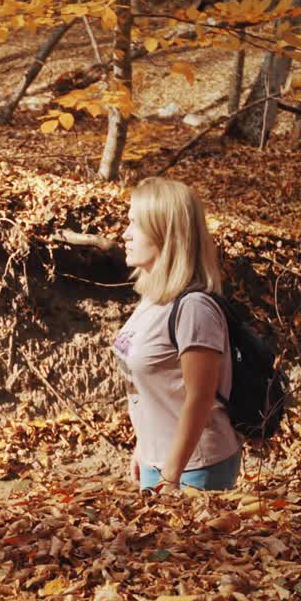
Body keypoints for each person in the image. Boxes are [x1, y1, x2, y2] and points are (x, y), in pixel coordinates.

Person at [111, 177, 242, 493]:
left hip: (195, 467)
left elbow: (200, 399)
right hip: (160, 460)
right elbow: (152, 390)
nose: (124, 234)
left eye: (135, 224)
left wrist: (171, 475)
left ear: (164, 234)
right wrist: (143, 447)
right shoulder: (153, 299)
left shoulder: (194, 308)